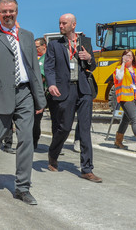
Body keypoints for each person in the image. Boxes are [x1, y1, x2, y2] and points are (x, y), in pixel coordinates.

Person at [0, 0, 46, 205]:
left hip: (25, 93)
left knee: (26, 139)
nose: (8, 15)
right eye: (3, 12)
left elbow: (34, 68)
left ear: (17, 11)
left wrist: (39, 98)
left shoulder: (27, 36)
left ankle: (22, 188)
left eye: (11, 11)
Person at [45, 13, 101, 183]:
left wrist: (89, 58)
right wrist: (51, 84)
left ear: (73, 25)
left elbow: (92, 66)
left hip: (83, 90)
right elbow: (49, 68)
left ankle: (87, 169)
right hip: (65, 89)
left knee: (84, 130)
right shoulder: (55, 45)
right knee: (64, 127)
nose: (61, 26)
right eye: (60, 23)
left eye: (64, 23)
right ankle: (53, 155)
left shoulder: (85, 43)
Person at [33, 37, 47, 150]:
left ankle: (34, 142)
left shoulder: (44, 59)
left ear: (44, 46)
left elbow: (41, 77)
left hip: (43, 92)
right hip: (40, 92)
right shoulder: (38, 58)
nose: (35, 49)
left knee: (36, 119)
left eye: (37, 46)